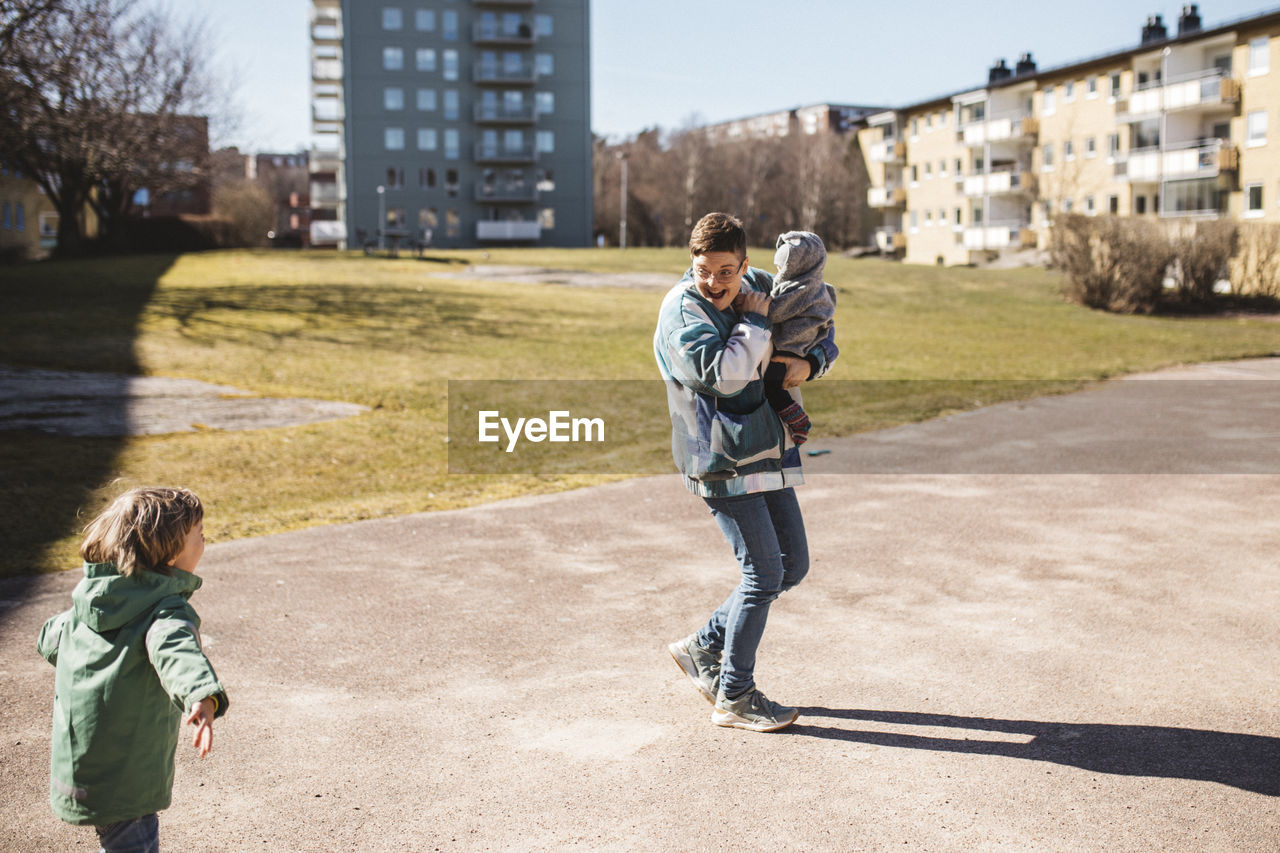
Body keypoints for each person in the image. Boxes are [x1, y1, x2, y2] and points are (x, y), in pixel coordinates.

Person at [654, 212, 838, 732]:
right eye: (703, 269)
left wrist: (814, 362)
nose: (713, 282)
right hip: (717, 458)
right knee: (763, 573)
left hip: (765, 448)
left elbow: (817, 320)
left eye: (726, 271)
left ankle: (703, 645)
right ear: (691, 262)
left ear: (745, 265)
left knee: (792, 566)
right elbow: (728, 377)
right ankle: (734, 695)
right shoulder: (682, 312)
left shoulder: (758, 285)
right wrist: (755, 322)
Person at [37, 486, 229, 853]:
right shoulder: (164, 611)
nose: (205, 539)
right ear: (171, 555)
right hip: (126, 774)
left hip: (81, 767)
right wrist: (201, 694)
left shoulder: (88, 607)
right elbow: (176, 649)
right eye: (199, 535)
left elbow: (50, 639)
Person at [763, 230, 837, 446]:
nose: (776, 272)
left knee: (771, 385)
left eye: (781, 268)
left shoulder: (798, 289)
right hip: (804, 344)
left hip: (791, 347)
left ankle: (797, 419)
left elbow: (776, 312)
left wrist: (755, 308)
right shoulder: (818, 286)